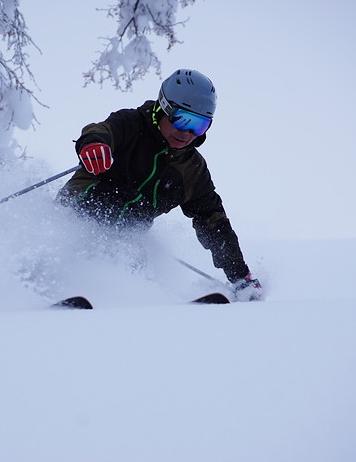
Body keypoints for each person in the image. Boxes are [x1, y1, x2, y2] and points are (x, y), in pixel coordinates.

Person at [57, 69, 262, 301]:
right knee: (115, 201)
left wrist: (240, 275)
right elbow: (102, 131)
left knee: (136, 263)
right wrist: (93, 145)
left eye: (199, 125)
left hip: (124, 241)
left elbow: (213, 220)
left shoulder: (191, 169)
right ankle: (44, 286)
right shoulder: (131, 125)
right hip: (74, 216)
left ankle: (143, 305)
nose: (187, 133)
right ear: (164, 107)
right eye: (183, 119)